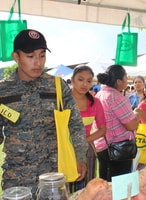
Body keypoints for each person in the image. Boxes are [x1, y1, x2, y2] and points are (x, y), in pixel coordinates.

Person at [0, 29, 87, 195]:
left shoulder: (57, 86)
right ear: (16, 57)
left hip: (54, 177)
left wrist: (80, 157)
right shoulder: (3, 91)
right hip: (17, 179)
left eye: (42, 55)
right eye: (30, 56)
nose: (38, 62)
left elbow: (75, 124)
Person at [95, 64, 142, 182]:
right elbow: (131, 125)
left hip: (102, 147)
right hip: (118, 150)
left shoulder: (100, 94)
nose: (127, 79)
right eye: (126, 77)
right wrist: (137, 115)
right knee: (119, 189)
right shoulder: (116, 97)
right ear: (119, 81)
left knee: (105, 186)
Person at [69, 65, 106, 192]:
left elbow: (102, 129)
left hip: (87, 151)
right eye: (80, 79)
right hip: (63, 151)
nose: (85, 84)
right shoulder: (61, 100)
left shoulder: (95, 102)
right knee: (64, 188)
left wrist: (85, 140)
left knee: (87, 188)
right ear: (72, 80)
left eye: (89, 81)